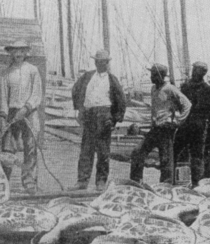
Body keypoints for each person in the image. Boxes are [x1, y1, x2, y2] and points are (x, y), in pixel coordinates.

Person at [70, 50, 126, 191]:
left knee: (103, 151)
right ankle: (82, 181)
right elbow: (76, 90)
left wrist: (114, 119)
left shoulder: (112, 79)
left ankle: (101, 181)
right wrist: (79, 109)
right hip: (89, 115)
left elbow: (121, 100)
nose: (104, 64)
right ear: (95, 62)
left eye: (106, 62)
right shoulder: (87, 77)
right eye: (101, 62)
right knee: (86, 150)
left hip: (104, 116)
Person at [130, 63, 191, 184]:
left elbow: (187, 105)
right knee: (137, 152)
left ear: (159, 75)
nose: (150, 77)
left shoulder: (170, 89)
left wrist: (177, 122)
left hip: (166, 130)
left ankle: (166, 185)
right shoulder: (153, 89)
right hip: (155, 129)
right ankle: (136, 181)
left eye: (153, 74)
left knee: (166, 159)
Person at [0, 40, 43, 195]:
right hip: (12, 113)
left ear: (26, 53)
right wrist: (4, 115)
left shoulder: (33, 70)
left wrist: (26, 108)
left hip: (29, 113)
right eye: (15, 51)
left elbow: (37, 94)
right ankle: (4, 182)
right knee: (8, 148)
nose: (18, 54)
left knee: (30, 148)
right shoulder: (6, 73)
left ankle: (29, 182)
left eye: (21, 51)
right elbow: (4, 97)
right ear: (11, 53)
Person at [176, 61, 210, 187]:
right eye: (193, 69)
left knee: (197, 156)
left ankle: (196, 183)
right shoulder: (185, 86)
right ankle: (173, 181)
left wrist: (204, 122)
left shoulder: (207, 89)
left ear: (203, 73)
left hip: (197, 126)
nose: (193, 72)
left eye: (196, 70)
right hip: (185, 124)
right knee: (175, 151)